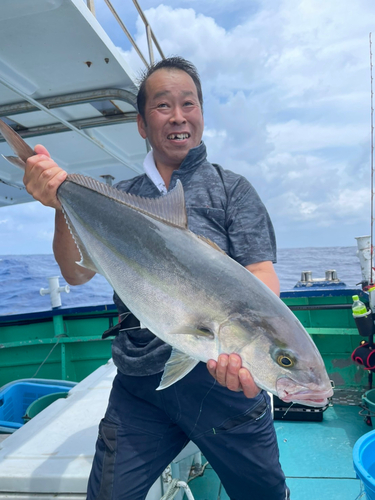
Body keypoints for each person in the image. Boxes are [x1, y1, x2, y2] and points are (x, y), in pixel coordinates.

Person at [23, 57, 289, 500]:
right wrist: (60, 205)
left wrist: (246, 351)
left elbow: (260, 273)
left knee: (264, 494)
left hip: (220, 380)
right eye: (163, 106)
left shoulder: (231, 190)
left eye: (189, 103)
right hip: (140, 385)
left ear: (202, 113)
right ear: (143, 125)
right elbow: (74, 272)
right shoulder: (119, 198)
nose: (179, 116)